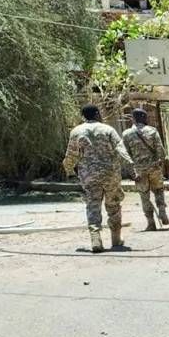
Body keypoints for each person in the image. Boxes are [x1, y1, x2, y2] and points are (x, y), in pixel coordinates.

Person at [63, 105, 133, 253]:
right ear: (96, 114)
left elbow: (71, 154)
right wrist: (132, 167)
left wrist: (69, 170)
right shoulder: (108, 130)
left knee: (93, 204)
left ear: (83, 116)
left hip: (89, 175)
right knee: (113, 204)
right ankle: (116, 238)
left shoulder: (76, 132)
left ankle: (96, 238)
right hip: (110, 173)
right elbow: (120, 149)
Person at [122, 108, 169, 231]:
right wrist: (165, 167)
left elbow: (125, 155)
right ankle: (162, 211)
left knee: (144, 196)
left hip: (139, 170)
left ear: (133, 119)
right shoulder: (153, 131)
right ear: (145, 118)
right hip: (154, 167)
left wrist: (131, 171)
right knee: (159, 191)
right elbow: (161, 150)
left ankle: (151, 223)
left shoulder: (127, 134)